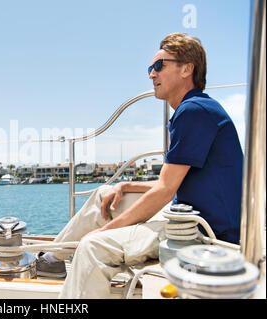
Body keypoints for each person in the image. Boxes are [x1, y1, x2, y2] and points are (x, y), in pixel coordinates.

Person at [35, 32, 244, 298]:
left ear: (186, 69)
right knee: (106, 193)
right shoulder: (195, 110)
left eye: (159, 66)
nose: (151, 74)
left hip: (203, 231)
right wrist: (127, 184)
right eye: (150, 68)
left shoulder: (194, 112)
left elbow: (166, 191)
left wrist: (105, 231)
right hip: (187, 214)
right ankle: (52, 257)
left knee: (92, 247)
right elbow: (174, 181)